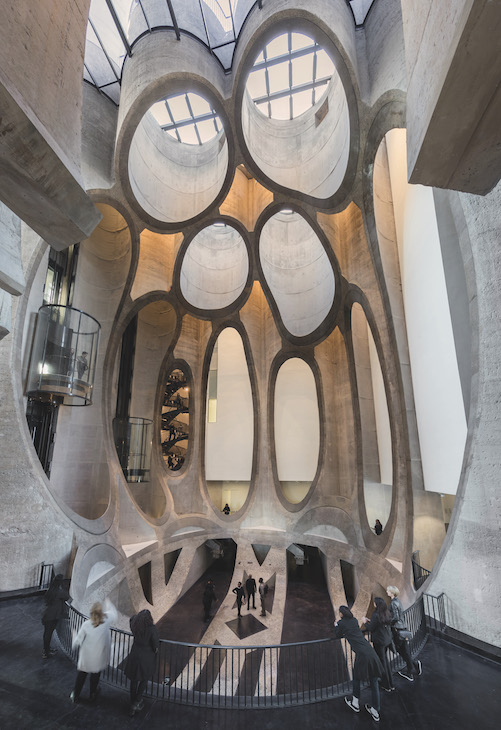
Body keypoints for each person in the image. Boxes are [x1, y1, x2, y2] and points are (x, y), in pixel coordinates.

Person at [335, 605, 383, 723]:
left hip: (362, 655)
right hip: (370, 651)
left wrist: (336, 625)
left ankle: (355, 703)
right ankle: (375, 711)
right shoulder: (354, 620)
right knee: (374, 682)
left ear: (341, 614)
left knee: (356, 678)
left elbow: (337, 635)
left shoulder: (342, 623)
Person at [70, 599, 117, 703]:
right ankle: (92, 694)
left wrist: (74, 636)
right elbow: (114, 613)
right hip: (98, 656)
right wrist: (109, 603)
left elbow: (78, 641)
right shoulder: (106, 619)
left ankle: (75, 695)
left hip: (87, 656)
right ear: (102, 612)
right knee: (95, 676)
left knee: (81, 676)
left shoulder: (87, 624)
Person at [124, 609, 160, 717]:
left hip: (135, 654)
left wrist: (138, 618)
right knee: (144, 679)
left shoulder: (134, 625)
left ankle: (132, 700)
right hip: (146, 658)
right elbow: (155, 645)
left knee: (134, 680)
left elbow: (132, 618)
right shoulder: (151, 629)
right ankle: (137, 701)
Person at [386, 585, 422, 681]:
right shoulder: (398, 601)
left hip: (397, 630)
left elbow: (396, 617)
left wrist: (388, 622)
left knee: (400, 650)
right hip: (403, 628)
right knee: (404, 650)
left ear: (392, 593)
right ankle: (414, 664)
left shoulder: (393, 603)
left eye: (388, 590)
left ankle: (410, 671)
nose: (387, 591)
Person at [363, 597, 395, 692]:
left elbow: (371, 628)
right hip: (386, 640)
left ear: (377, 604)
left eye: (374, 603)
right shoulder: (386, 613)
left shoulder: (376, 615)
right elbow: (379, 623)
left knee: (382, 663)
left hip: (379, 642)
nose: (374, 604)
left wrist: (365, 622)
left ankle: (386, 684)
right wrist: (371, 621)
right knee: (385, 661)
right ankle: (391, 683)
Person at [41, 574, 70, 659]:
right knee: (48, 634)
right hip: (52, 616)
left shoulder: (50, 590)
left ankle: (46, 650)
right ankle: (46, 652)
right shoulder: (59, 591)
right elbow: (67, 596)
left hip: (47, 614)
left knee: (47, 633)